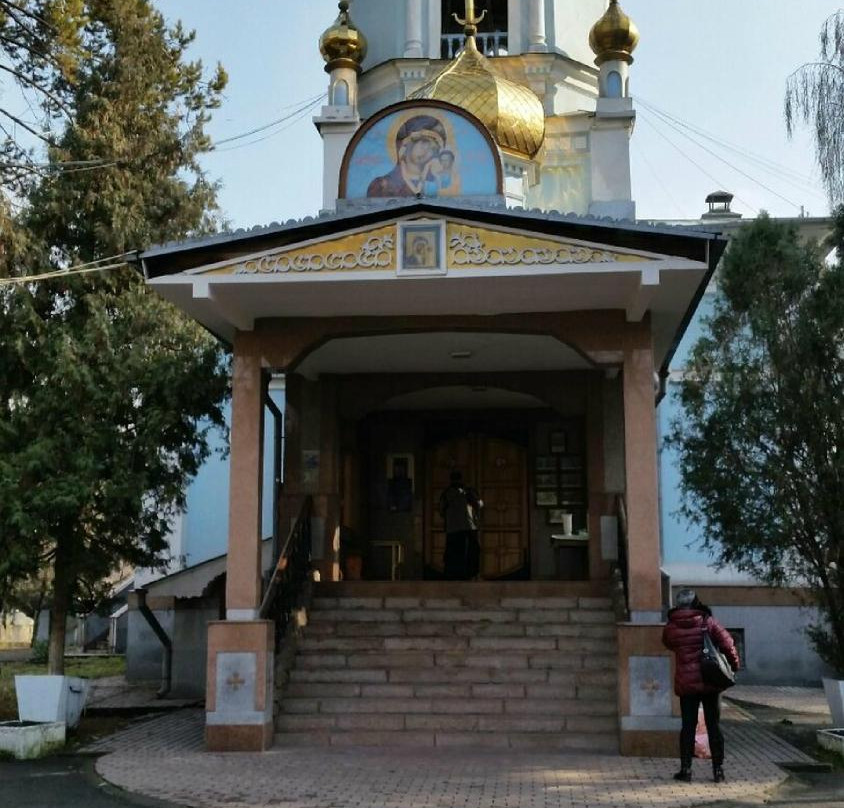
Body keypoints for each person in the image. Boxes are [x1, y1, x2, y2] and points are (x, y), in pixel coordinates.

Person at [662, 588, 740, 784]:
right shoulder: (708, 622)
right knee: (714, 726)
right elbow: (728, 643)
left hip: (686, 683)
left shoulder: (671, 627)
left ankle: (686, 769)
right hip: (710, 681)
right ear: (696, 602)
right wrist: (734, 665)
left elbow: (668, 643)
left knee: (687, 726)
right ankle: (718, 770)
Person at [367, 115, 447, 198]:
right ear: (407, 144)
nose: (426, 150)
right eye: (423, 142)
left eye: (432, 149)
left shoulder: (436, 183)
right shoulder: (382, 185)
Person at [439, 470, 482, 580]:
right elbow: (479, 504)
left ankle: (454, 575)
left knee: (454, 554)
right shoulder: (468, 491)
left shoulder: (446, 493)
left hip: (453, 528)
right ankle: (471, 574)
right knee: (470, 553)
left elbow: (441, 511)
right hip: (469, 527)